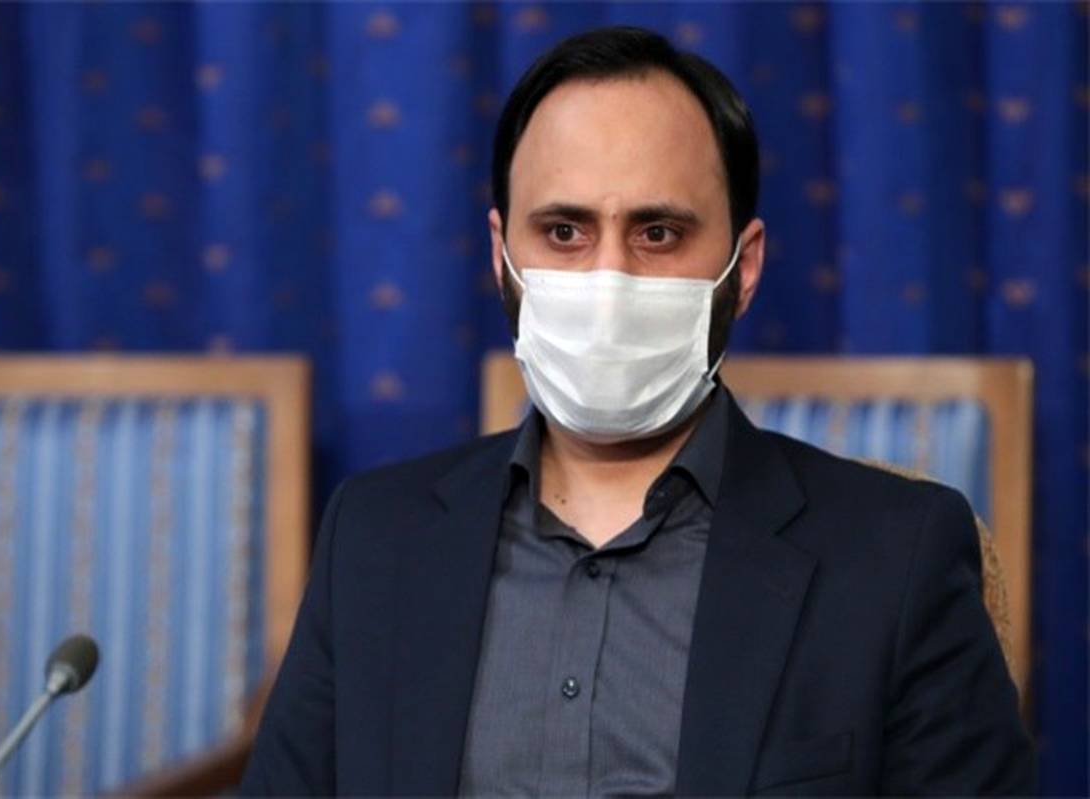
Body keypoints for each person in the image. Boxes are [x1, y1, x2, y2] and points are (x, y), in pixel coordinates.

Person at [242, 26, 1033, 796]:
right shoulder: (374, 537)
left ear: (744, 267)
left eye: (658, 232)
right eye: (564, 231)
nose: (608, 280)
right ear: (501, 255)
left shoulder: (898, 557)